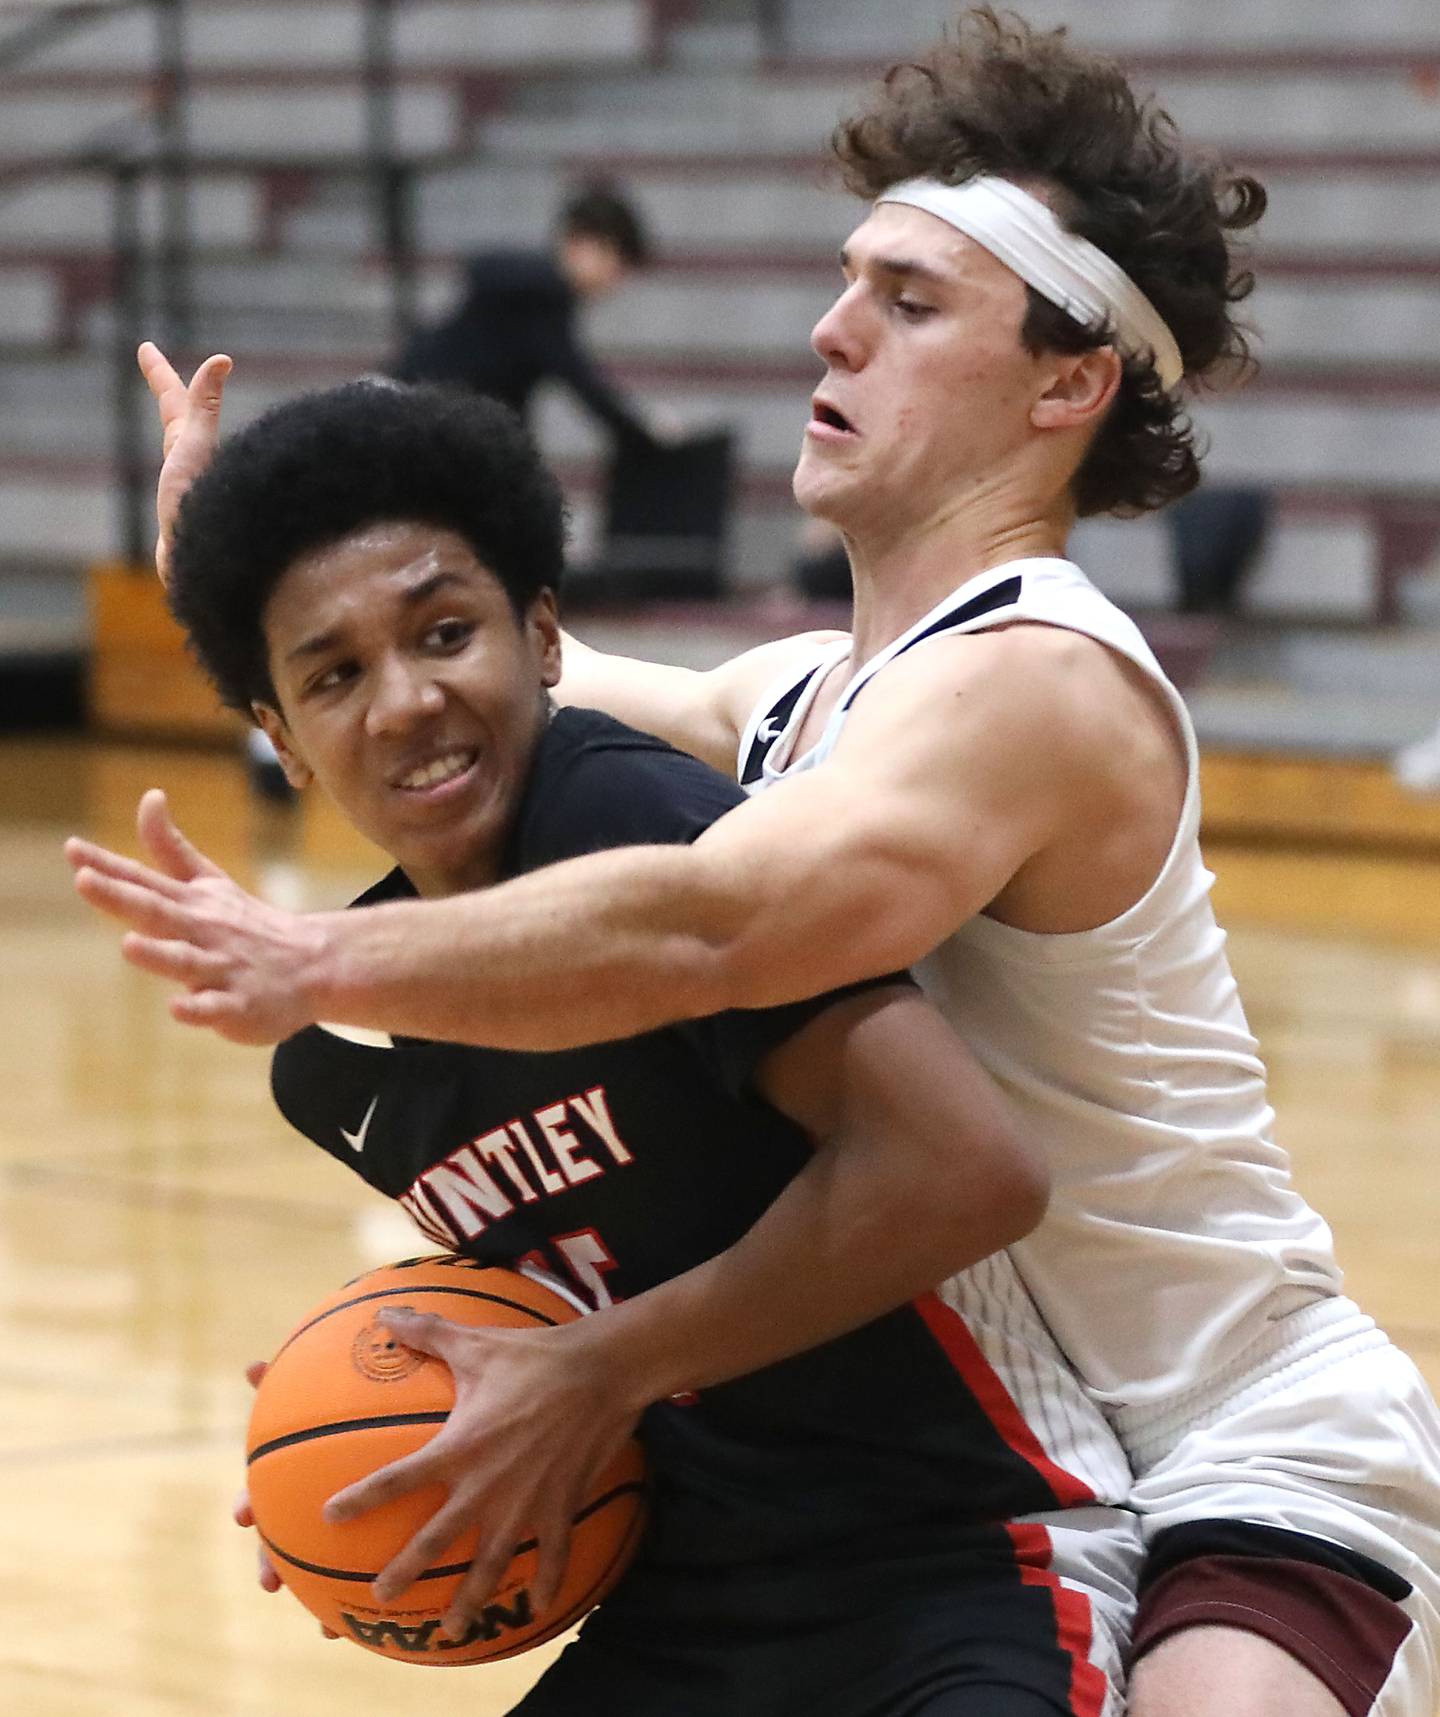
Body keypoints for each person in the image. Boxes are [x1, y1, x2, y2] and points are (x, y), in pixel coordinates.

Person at [115, 12, 1440, 1716]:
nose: (831, 325)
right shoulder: (810, 697)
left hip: (1235, 1436)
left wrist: (315, 964)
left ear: (1066, 382)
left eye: (909, 302)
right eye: (847, 279)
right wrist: (249, 583)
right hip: (999, 1453)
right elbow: (494, 679)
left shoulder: (1035, 679)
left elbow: (714, 922)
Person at [71, 377, 1146, 1715]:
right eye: (334, 675)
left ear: (540, 635)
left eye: (444, 632)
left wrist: (592, 1370)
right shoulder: (333, 1068)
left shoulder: (618, 812)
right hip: (693, 1594)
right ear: (280, 740)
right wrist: (381, 1430)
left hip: (967, 1554)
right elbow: (590, 1273)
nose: (403, 701)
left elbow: (964, 1171)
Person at [392, 177, 659, 450]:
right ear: (589, 244)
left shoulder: (535, 289)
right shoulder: (543, 293)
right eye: (618, 266)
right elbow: (583, 382)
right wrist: (644, 430)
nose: (615, 283)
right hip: (428, 425)